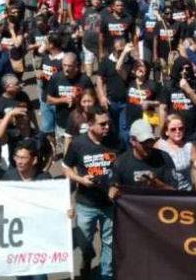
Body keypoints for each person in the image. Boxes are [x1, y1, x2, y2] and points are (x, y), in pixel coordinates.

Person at [62, 107, 121, 280]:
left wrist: (116, 185)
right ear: (90, 125)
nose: (107, 127)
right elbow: (65, 168)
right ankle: (87, 260)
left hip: (109, 204)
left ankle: (105, 275)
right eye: (102, 124)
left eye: (108, 123)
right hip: (85, 204)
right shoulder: (78, 144)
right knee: (84, 243)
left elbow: (122, 166)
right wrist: (81, 180)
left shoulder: (115, 142)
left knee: (109, 243)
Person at [109, 119, 177, 192]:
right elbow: (113, 189)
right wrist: (112, 191)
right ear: (132, 141)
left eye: (150, 141)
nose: (148, 145)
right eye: (143, 142)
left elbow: (174, 192)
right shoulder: (121, 163)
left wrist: (158, 185)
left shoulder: (164, 158)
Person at [47, 53, 94, 143]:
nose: (66, 69)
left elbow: (93, 100)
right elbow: (48, 100)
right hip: (62, 122)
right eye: (64, 65)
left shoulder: (84, 80)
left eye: (69, 66)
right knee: (68, 151)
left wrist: (78, 100)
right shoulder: (55, 78)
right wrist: (63, 100)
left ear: (76, 64)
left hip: (81, 123)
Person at [96, 39, 134, 146]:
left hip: (126, 102)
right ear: (113, 49)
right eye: (119, 51)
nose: (121, 52)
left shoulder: (130, 62)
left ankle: (126, 153)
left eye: (123, 50)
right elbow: (99, 79)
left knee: (124, 130)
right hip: (111, 101)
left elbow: (123, 75)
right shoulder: (105, 61)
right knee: (112, 128)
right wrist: (102, 96)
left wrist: (123, 57)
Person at [155, 115, 196, 191]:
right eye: (173, 129)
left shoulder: (188, 146)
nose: (178, 131)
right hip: (165, 193)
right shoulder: (159, 146)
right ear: (166, 132)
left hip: (184, 193)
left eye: (181, 128)